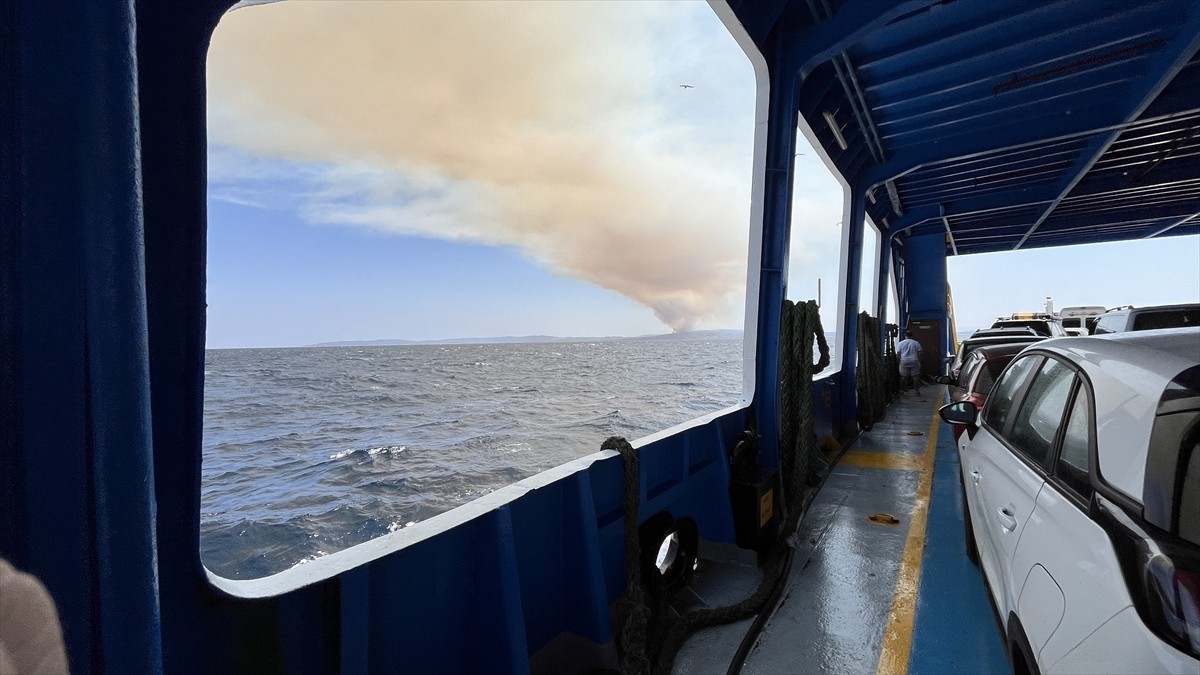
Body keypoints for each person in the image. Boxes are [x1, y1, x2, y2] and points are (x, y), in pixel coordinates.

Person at [897, 330, 923, 395]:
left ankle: (902, 390)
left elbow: (898, 354)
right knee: (915, 376)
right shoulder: (916, 343)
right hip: (914, 361)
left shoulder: (901, 343)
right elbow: (920, 353)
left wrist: (899, 362)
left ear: (905, 335)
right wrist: (919, 361)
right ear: (912, 335)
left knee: (903, 377)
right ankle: (917, 391)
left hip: (904, 361)